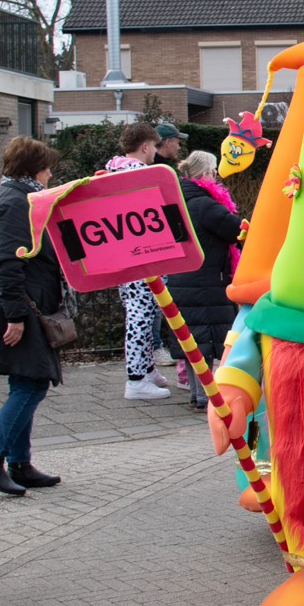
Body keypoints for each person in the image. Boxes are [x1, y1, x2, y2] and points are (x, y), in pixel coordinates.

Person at [0, 135, 65, 497]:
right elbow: (6, 264)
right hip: (20, 306)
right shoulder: (15, 203)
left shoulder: (10, 196)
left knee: (26, 379)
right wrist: (16, 316)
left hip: (18, 303)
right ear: (34, 168)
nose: (50, 174)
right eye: (47, 167)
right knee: (31, 384)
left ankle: (20, 464)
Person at [164, 151, 242, 408]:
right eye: (214, 172)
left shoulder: (175, 201)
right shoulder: (206, 205)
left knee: (191, 339)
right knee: (206, 340)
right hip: (207, 282)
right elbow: (237, 230)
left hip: (181, 280)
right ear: (206, 174)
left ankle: (197, 395)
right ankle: (207, 398)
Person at [108, 123, 172, 399]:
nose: (155, 152)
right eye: (154, 146)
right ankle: (136, 379)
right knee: (140, 315)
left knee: (140, 311)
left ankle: (145, 370)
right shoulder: (139, 174)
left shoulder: (112, 171)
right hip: (143, 254)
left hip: (124, 254)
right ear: (145, 146)